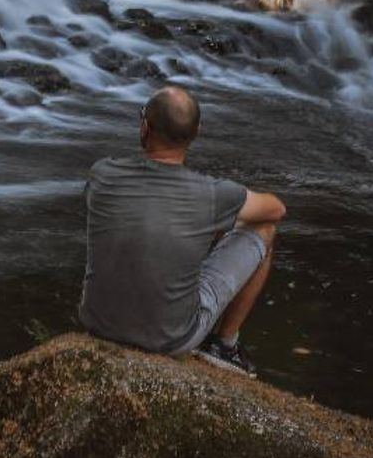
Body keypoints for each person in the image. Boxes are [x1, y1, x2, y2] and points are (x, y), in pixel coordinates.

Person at [78, 85, 286, 376]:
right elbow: (276, 210)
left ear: (144, 127)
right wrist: (223, 219)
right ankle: (224, 346)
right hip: (171, 338)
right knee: (265, 229)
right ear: (196, 132)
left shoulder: (102, 173)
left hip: (98, 324)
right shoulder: (211, 195)